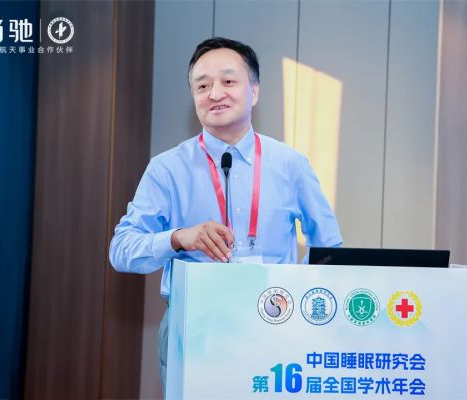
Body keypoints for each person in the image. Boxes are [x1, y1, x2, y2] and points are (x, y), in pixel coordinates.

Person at [109, 37, 342, 393]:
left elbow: (329, 248)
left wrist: (302, 301)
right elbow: (121, 250)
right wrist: (178, 238)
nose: (215, 93)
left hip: (276, 322)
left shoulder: (291, 165)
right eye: (202, 86)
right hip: (195, 326)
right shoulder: (166, 169)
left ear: (254, 91)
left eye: (228, 81)